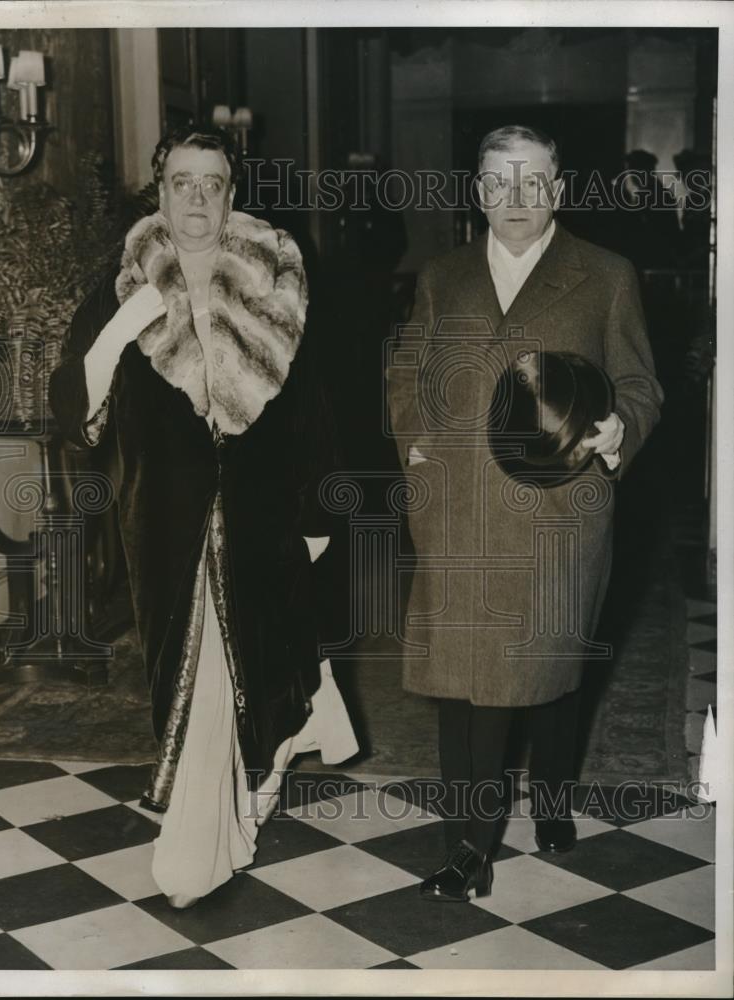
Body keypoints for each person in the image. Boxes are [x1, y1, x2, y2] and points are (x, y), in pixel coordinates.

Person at [49, 126, 357, 908]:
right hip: (163, 524)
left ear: (231, 194)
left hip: (264, 520)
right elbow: (74, 402)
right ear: (159, 192)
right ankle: (203, 840)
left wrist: (319, 512)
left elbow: (316, 407)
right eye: (181, 182)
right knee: (187, 679)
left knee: (266, 666)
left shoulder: (275, 279)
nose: (195, 198)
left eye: (210, 183)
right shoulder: (122, 283)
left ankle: (236, 812)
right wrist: (121, 330)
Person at [386, 124, 663, 901]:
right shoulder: (442, 276)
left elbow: (640, 384)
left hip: (557, 515)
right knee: (465, 687)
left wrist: (619, 428)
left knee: (550, 679)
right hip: (459, 512)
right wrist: (415, 444)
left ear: (558, 190)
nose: (515, 197)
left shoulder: (604, 275)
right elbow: (407, 371)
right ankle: (466, 850)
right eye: (498, 181)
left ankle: (550, 795)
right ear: (477, 193)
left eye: (533, 181)